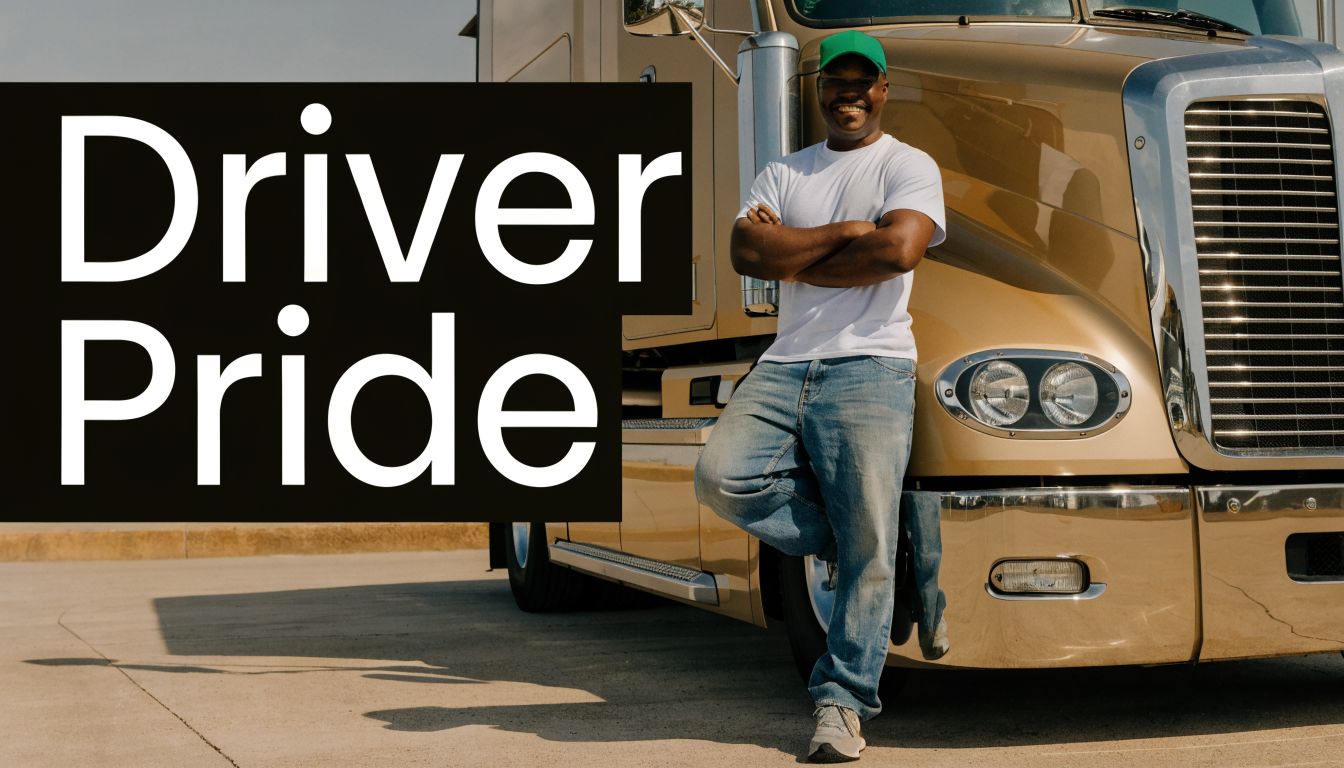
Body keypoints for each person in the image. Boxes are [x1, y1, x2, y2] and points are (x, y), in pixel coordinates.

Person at [693, 29, 947, 764]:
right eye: (837, 81)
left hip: (872, 367)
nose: (850, 94)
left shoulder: (909, 165)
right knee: (721, 476)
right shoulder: (784, 170)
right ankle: (856, 539)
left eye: (863, 82)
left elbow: (897, 251)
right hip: (786, 362)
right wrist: (844, 233)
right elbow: (748, 253)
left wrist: (795, 254)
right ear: (818, 90)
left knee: (869, 544)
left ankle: (840, 704)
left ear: (883, 89)